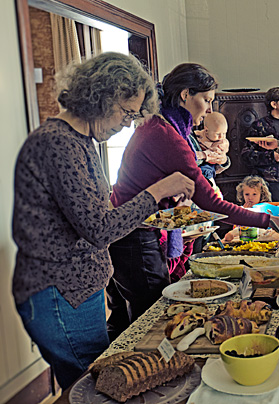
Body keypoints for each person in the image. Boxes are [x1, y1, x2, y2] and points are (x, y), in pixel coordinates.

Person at [11, 52, 196, 389]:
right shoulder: (58, 144)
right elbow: (98, 229)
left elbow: (94, 212)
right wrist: (158, 190)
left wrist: (155, 204)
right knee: (91, 388)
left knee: (98, 381)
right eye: (126, 112)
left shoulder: (80, 141)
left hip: (78, 289)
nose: (127, 123)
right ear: (100, 95)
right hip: (61, 292)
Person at [108, 64, 279, 340]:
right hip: (136, 238)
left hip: (126, 233)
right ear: (186, 94)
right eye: (207, 100)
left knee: (126, 321)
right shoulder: (168, 136)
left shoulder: (158, 125)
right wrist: (269, 220)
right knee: (153, 325)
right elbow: (211, 203)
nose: (210, 109)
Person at [242, 87, 279, 201]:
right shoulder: (258, 126)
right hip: (267, 184)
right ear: (274, 104)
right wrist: (272, 157)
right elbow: (246, 155)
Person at [190, 111, 230, 198]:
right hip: (196, 170)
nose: (221, 136)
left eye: (224, 133)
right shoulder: (200, 135)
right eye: (218, 134)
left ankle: (213, 190)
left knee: (207, 175)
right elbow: (197, 134)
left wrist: (204, 154)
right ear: (206, 130)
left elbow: (218, 156)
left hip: (209, 167)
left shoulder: (221, 142)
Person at [223, 176, 273, 242]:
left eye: (254, 194)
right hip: (244, 238)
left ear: (261, 194)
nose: (250, 198)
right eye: (247, 194)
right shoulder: (240, 209)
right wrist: (244, 212)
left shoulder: (265, 208)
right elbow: (236, 227)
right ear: (242, 194)